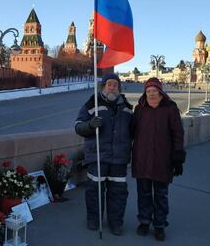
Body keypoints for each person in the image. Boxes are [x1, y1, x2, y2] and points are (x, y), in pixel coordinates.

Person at [75, 73, 133, 236]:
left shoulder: (127, 107)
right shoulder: (92, 102)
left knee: (118, 193)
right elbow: (78, 126)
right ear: (103, 86)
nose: (112, 87)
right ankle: (94, 219)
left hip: (119, 158)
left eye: (115, 84)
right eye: (109, 84)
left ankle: (116, 222)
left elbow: (133, 131)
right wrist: (90, 125)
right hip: (98, 157)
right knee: (94, 191)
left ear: (119, 87)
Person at [132, 77, 185, 241]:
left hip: (163, 159)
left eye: (154, 91)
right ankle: (145, 221)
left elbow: (178, 134)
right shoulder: (140, 109)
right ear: (145, 93)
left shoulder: (170, 108)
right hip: (142, 158)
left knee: (161, 195)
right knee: (144, 194)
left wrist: (178, 157)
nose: (151, 94)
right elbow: (131, 131)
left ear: (160, 92)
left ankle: (160, 225)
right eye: (148, 91)